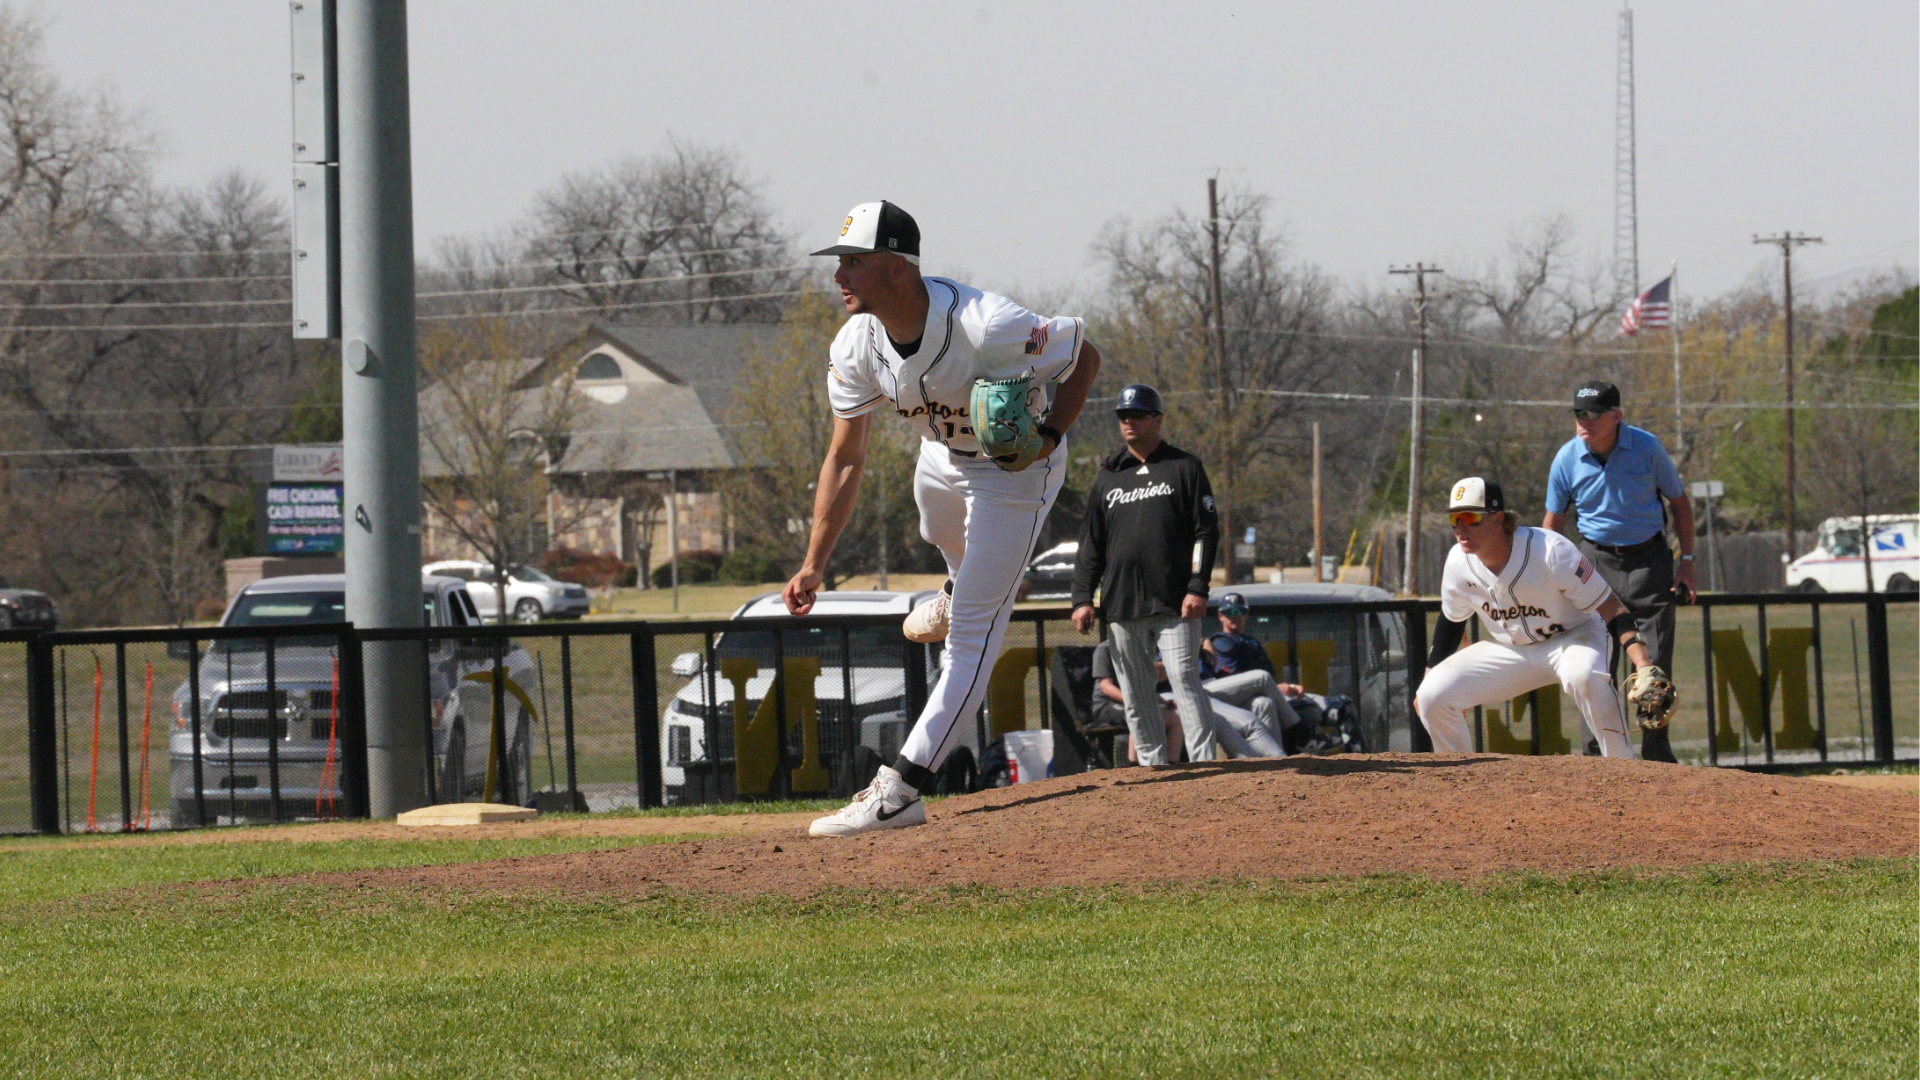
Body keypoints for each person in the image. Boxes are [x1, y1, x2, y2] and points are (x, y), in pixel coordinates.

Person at [785, 201, 1102, 837]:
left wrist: (1049, 433)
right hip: (940, 456)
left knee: (974, 639)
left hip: (1014, 472)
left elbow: (1084, 357)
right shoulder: (856, 343)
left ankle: (900, 790)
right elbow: (845, 457)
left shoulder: (989, 325)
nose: (838, 273)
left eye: (853, 260)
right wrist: (814, 562)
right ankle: (957, 588)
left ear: (898, 267)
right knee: (934, 527)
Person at [1418, 477, 1656, 758]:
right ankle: (1460, 777)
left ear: (1497, 519)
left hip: (1573, 639)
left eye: (1470, 517)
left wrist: (1642, 664)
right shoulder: (1458, 561)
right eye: (1455, 518)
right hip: (1510, 650)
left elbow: (1611, 607)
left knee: (1583, 675)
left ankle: (1622, 765)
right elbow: (1451, 621)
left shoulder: (1551, 551)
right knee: (1430, 696)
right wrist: (1430, 676)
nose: (1460, 527)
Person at [1541, 380, 1694, 762]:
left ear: (1616, 417)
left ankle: (1657, 758)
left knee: (1654, 664)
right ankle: (1600, 759)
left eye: (1592, 414)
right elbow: (1552, 523)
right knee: (1595, 665)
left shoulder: (1646, 447)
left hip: (1649, 561)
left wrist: (1687, 562)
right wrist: (1546, 579)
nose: (1583, 421)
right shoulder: (1566, 458)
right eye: (1578, 413)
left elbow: (1680, 503)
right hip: (1593, 562)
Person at [1069, 385, 1222, 766]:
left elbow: (1206, 532)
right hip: (1122, 602)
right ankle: (1154, 767)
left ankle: (1208, 764)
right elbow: (1091, 543)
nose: (1128, 422)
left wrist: (1197, 586)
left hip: (1175, 599)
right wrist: (1082, 598)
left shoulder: (1183, 467)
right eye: (1123, 416)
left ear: (1157, 419)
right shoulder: (1109, 476)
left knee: (1184, 679)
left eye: (1136, 415)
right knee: (1136, 692)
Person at [1201, 591, 1306, 747]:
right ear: (1220, 615)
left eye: (1240, 611)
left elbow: (1271, 673)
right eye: (1229, 612)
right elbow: (1233, 678)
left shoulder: (1252, 642)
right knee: (1261, 677)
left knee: (1264, 703)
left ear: (1246, 614)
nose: (1235, 615)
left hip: (1258, 695)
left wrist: (1285, 688)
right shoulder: (1221, 642)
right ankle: (1299, 729)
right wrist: (1279, 688)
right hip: (1226, 697)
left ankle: (1275, 759)